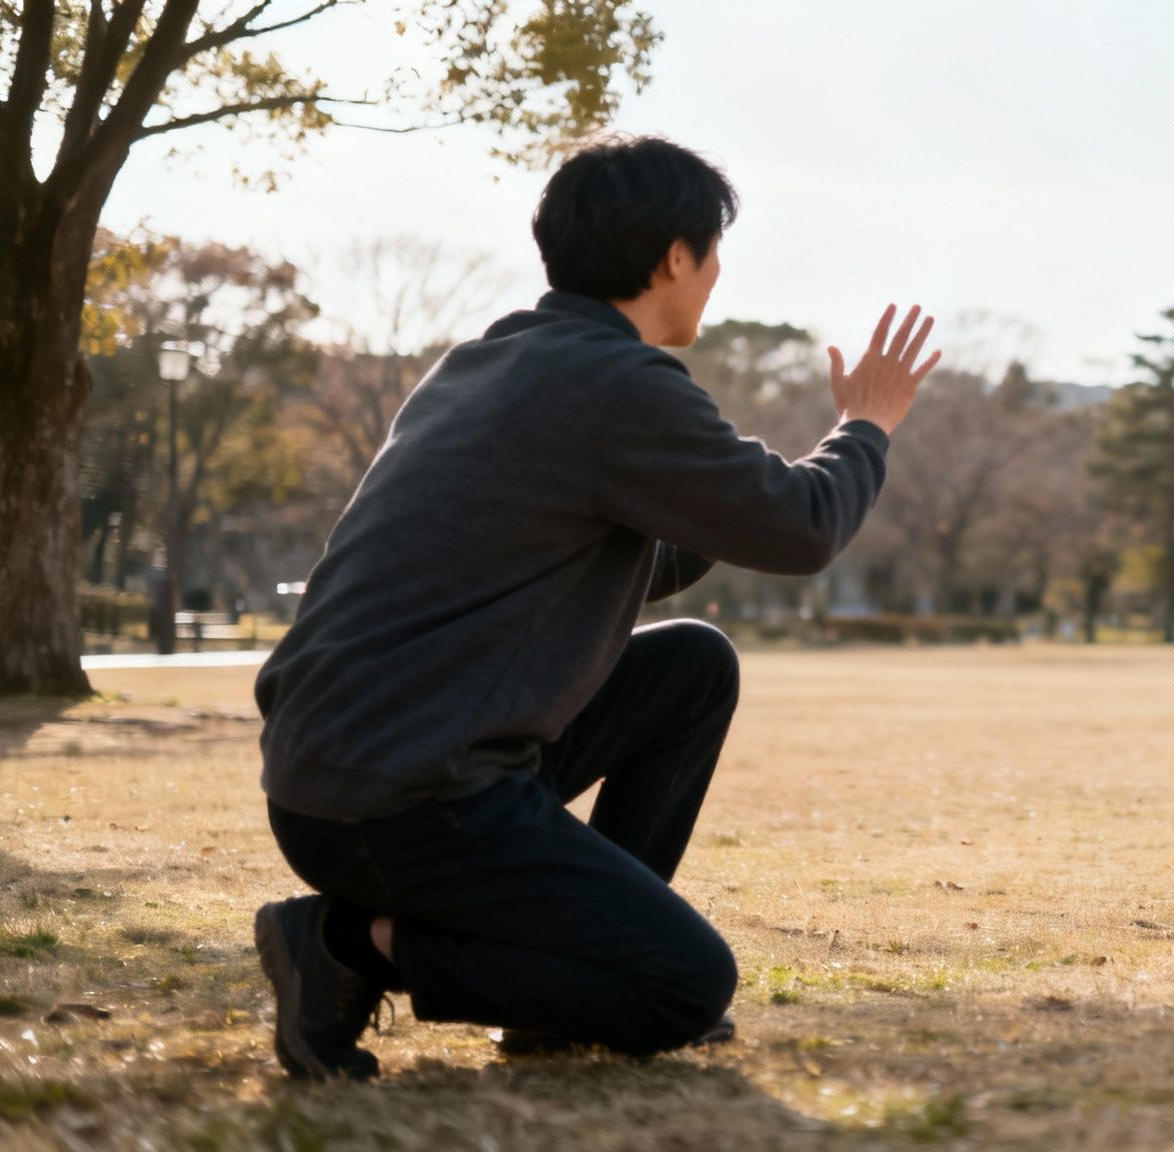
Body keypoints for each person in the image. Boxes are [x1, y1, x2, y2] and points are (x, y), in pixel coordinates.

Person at [251, 136, 939, 1080]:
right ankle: (342, 945)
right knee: (684, 987)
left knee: (692, 668)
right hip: (404, 794)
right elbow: (805, 528)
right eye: (712, 253)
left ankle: (550, 996)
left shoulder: (488, 362)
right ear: (672, 258)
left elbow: (583, 562)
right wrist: (866, 425)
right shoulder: (618, 384)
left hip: (343, 762)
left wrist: (709, 501)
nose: (715, 277)